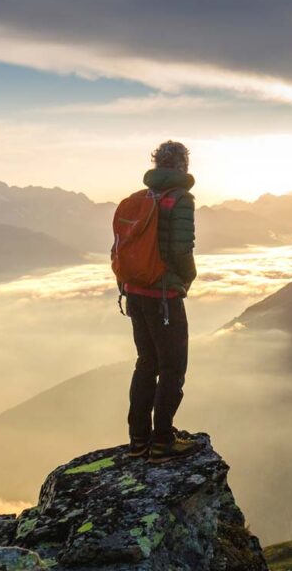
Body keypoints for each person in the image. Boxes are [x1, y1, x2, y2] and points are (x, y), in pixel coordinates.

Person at [117, 140, 199, 462]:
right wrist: (188, 279)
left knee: (146, 363)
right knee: (172, 367)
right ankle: (163, 442)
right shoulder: (181, 200)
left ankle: (139, 441)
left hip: (135, 294)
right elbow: (181, 250)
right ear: (182, 166)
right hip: (164, 298)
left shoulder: (141, 199)